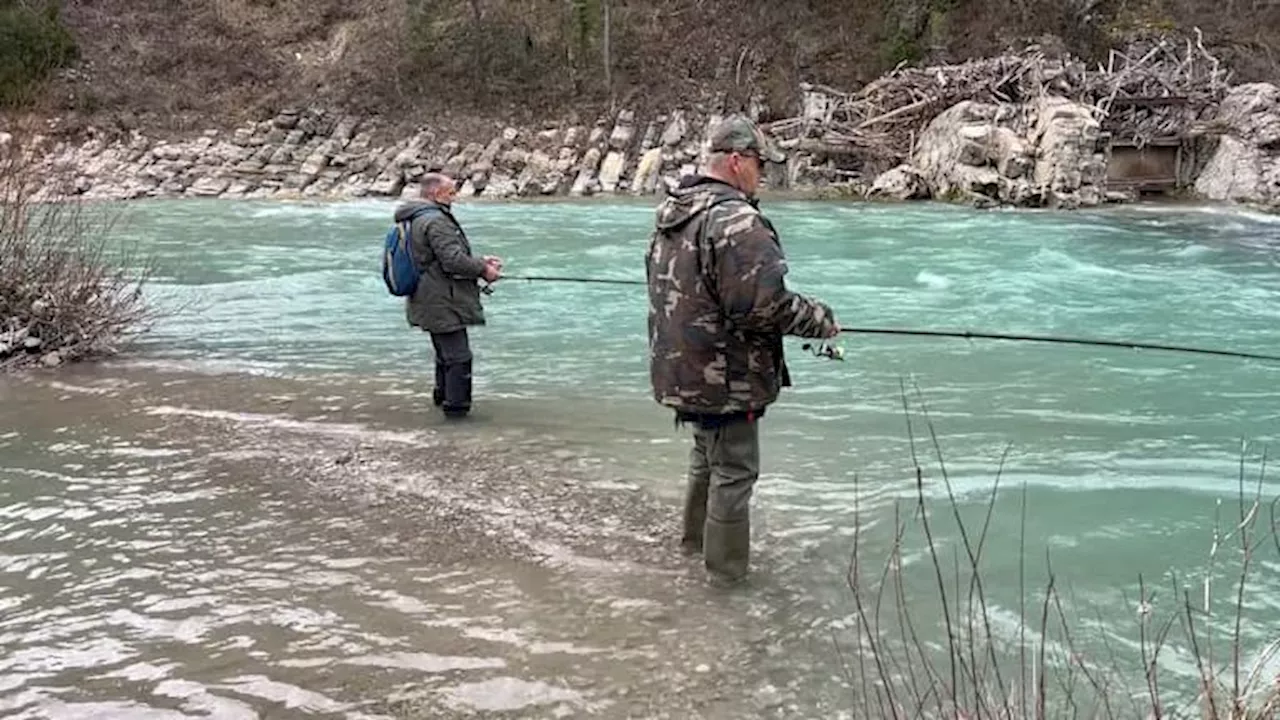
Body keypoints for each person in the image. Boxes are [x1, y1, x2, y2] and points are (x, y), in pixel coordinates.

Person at [644, 115, 840, 586]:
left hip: (681, 370)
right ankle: (725, 581)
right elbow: (763, 307)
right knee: (734, 471)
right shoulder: (736, 219)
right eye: (758, 163)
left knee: (705, 457)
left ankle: (694, 549)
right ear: (735, 161)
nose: (763, 174)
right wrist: (821, 321)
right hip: (725, 377)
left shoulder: (673, 212)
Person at [394, 173, 502, 419]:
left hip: (427, 296)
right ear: (435, 193)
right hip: (442, 299)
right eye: (451, 192)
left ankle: (442, 402)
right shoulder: (436, 221)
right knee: (459, 357)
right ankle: (456, 414)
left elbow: (435, 257)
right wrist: (485, 270)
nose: (455, 197)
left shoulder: (415, 218)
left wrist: (478, 262)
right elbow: (452, 261)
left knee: (445, 354)